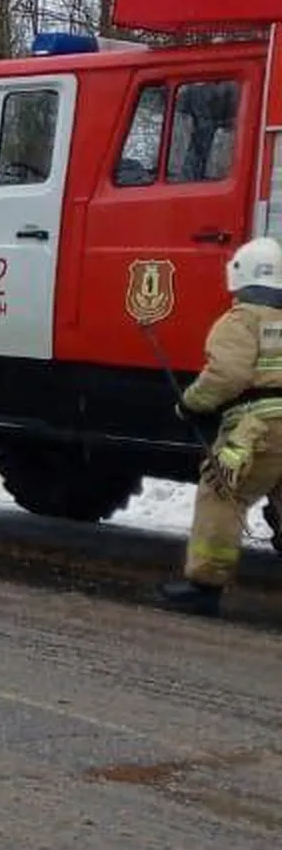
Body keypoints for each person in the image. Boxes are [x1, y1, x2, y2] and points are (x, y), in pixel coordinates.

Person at [160, 236, 282, 617]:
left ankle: (204, 586)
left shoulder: (241, 321)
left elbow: (226, 375)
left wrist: (191, 404)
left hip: (256, 430)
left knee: (222, 493)